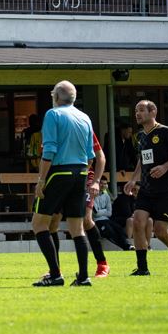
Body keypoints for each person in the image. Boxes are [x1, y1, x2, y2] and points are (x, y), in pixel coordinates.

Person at [30, 80, 96, 287]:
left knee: (39, 224)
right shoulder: (84, 117)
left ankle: (56, 274)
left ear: (57, 96)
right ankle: (84, 277)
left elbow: (49, 151)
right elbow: (90, 154)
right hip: (81, 171)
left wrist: (41, 180)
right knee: (77, 227)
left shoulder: (53, 114)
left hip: (59, 172)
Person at [124, 100, 168, 276]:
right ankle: (143, 268)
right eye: (136, 110)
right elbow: (142, 159)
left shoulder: (165, 132)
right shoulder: (140, 136)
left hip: (166, 190)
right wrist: (133, 179)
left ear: (153, 112)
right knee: (137, 222)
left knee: (160, 231)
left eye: (141, 110)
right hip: (146, 189)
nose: (137, 114)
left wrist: (165, 166)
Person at [45, 132, 108, 277]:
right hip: (61, 177)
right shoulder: (55, 127)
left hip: (83, 176)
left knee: (86, 220)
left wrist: (96, 181)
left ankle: (102, 264)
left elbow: (99, 157)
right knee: (53, 223)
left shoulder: (84, 127)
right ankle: (55, 270)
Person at [92, 179, 132, 251]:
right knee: (109, 231)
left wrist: (102, 211)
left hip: (107, 219)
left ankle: (128, 245)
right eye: (101, 183)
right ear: (97, 184)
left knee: (119, 229)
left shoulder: (106, 196)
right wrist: (105, 210)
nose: (103, 185)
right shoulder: (93, 196)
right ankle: (127, 246)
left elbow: (109, 213)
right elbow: (96, 214)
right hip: (97, 221)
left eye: (105, 184)